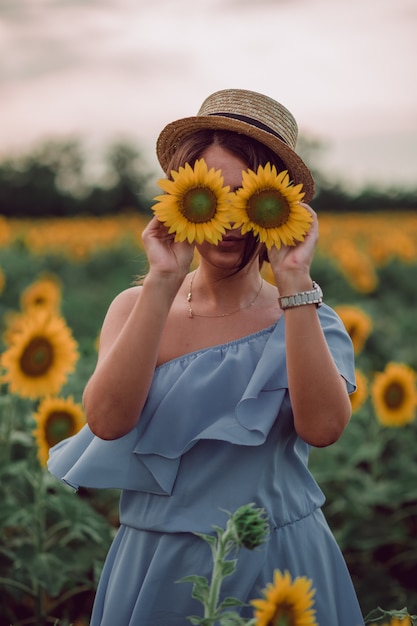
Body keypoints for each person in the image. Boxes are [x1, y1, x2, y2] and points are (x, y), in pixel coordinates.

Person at [48, 89, 364, 625]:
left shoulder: (309, 316)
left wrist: (294, 281)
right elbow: (106, 420)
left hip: (279, 564)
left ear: (280, 208)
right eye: (214, 194)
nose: (234, 218)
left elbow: (325, 428)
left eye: (251, 197)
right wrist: (162, 280)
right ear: (182, 197)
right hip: (156, 566)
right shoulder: (135, 308)